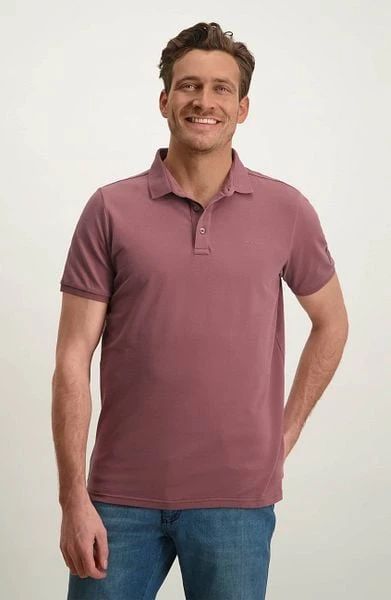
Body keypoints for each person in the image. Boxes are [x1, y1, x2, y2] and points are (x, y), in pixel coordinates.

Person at [51, 21, 349, 600]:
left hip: (236, 500)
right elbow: (71, 358)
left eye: (220, 89)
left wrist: (282, 435)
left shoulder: (286, 210)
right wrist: (72, 498)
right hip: (118, 498)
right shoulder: (109, 209)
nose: (203, 101)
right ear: (165, 100)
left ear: (242, 108)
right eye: (189, 86)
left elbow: (332, 321)